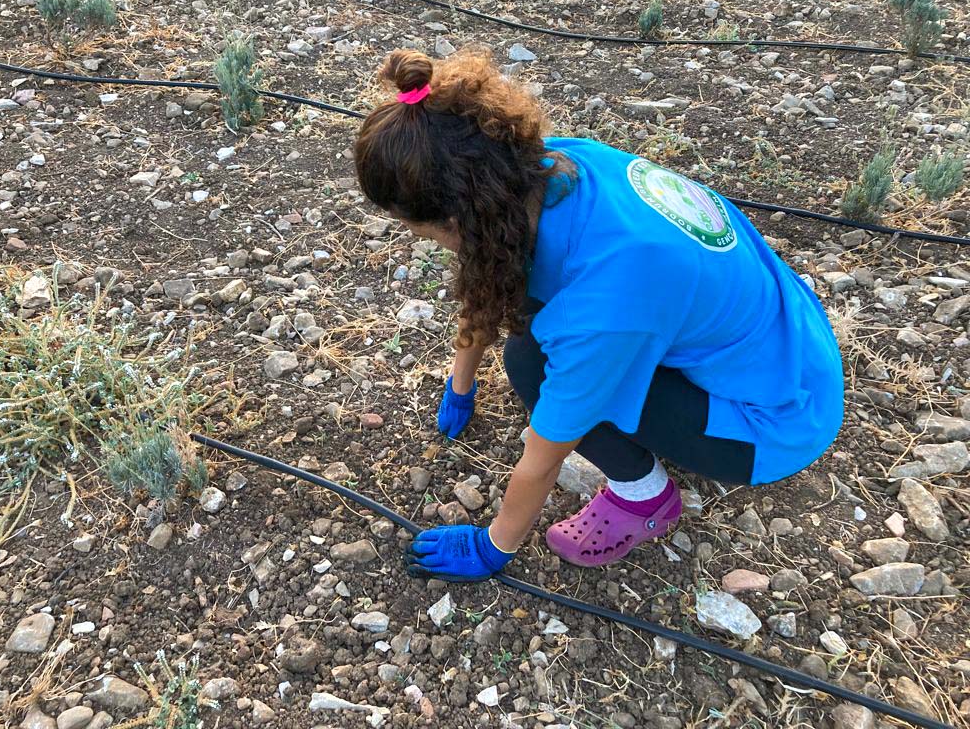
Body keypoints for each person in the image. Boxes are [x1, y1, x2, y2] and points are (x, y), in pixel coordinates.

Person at [353, 48, 844, 582]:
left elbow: (545, 454)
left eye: (417, 229)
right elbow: (487, 280)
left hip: (776, 419)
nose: (416, 238)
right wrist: (461, 381)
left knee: (532, 365)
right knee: (540, 330)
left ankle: (645, 499)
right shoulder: (547, 167)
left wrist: (493, 547)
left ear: (458, 218)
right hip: (783, 337)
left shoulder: (605, 302)